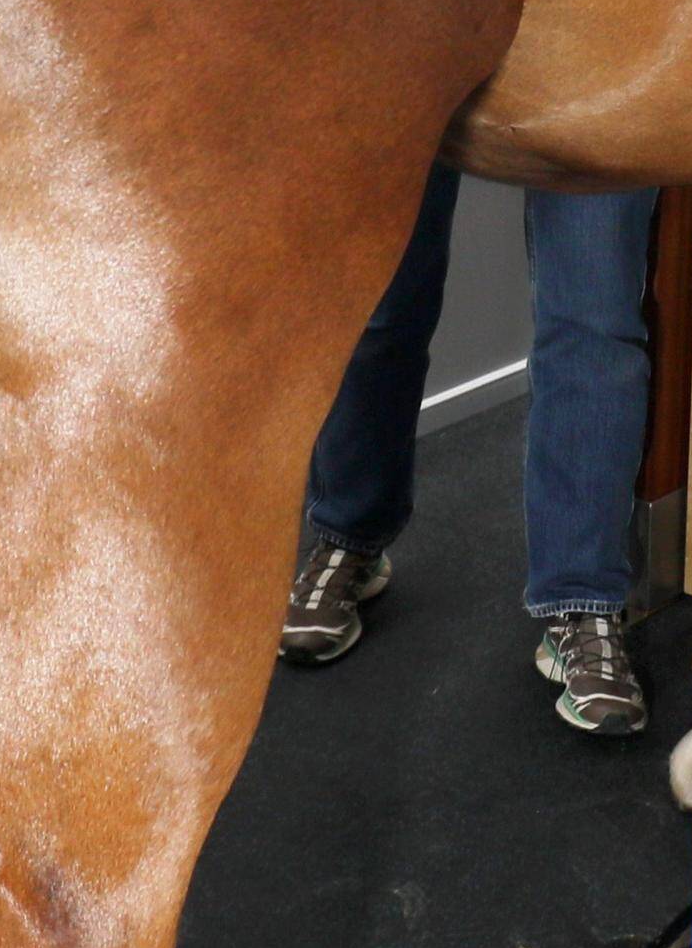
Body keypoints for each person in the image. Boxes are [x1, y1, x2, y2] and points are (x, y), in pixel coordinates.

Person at [282, 168, 661, 737]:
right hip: (408, 75)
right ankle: (348, 538)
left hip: (585, 81)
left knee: (596, 320)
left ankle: (581, 601)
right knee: (378, 296)